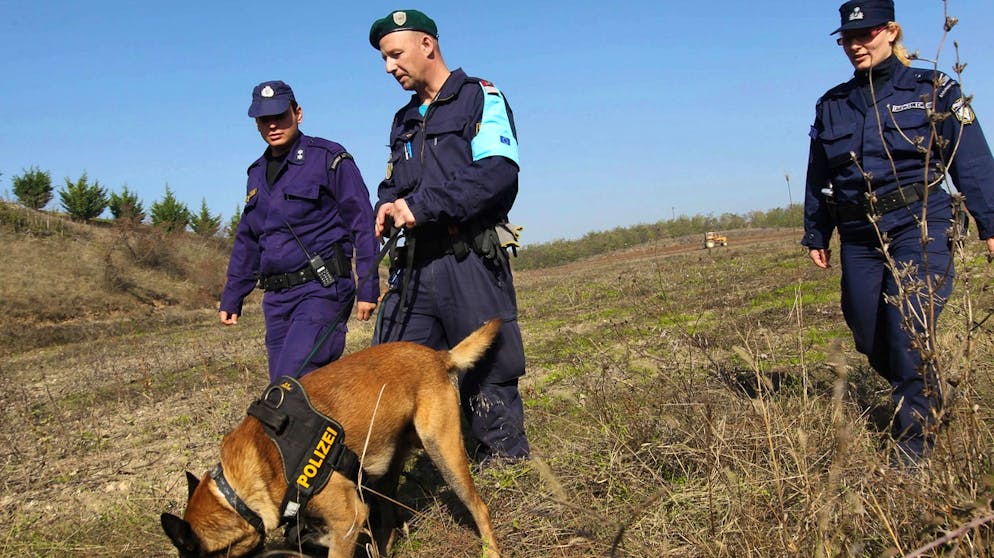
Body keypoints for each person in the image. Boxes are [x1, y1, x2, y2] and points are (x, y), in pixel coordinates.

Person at [802, 0, 994, 464]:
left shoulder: (934, 89)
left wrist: (991, 221)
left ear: (891, 31)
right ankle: (926, 388)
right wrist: (816, 231)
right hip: (860, 233)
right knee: (868, 333)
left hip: (921, 222)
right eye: (848, 38)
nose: (855, 45)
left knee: (908, 326)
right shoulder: (832, 105)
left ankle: (914, 445)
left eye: (865, 35)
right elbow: (819, 175)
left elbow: (971, 160)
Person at [368, 9, 530, 466]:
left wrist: (421, 207)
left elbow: (497, 174)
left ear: (427, 45)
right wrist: (386, 204)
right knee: (391, 368)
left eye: (395, 54)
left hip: (468, 259)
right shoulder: (403, 119)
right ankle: (396, 477)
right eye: (384, 59)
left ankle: (504, 469)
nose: (389, 68)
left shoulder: (480, 97)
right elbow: (395, 183)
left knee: (488, 368)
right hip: (415, 266)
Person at [220, 80, 380, 383]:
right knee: (284, 389)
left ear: (298, 114)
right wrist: (233, 295)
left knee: (294, 383)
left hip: (321, 290)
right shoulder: (256, 173)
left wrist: (368, 285)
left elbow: (362, 222)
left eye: (280, 116)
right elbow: (248, 239)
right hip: (277, 300)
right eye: (264, 119)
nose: (272, 125)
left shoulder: (328, 158)